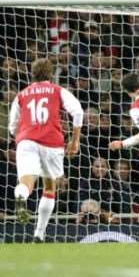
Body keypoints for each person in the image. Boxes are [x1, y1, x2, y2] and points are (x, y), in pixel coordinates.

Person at [8, 58, 83, 242]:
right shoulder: (58, 90)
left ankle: (20, 196)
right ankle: (39, 235)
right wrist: (75, 141)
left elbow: (12, 126)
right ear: (50, 74)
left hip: (26, 141)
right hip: (51, 143)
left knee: (27, 183)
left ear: (32, 75)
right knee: (49, 187)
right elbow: (78, 111)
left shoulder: (22, 94)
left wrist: (21, 134)